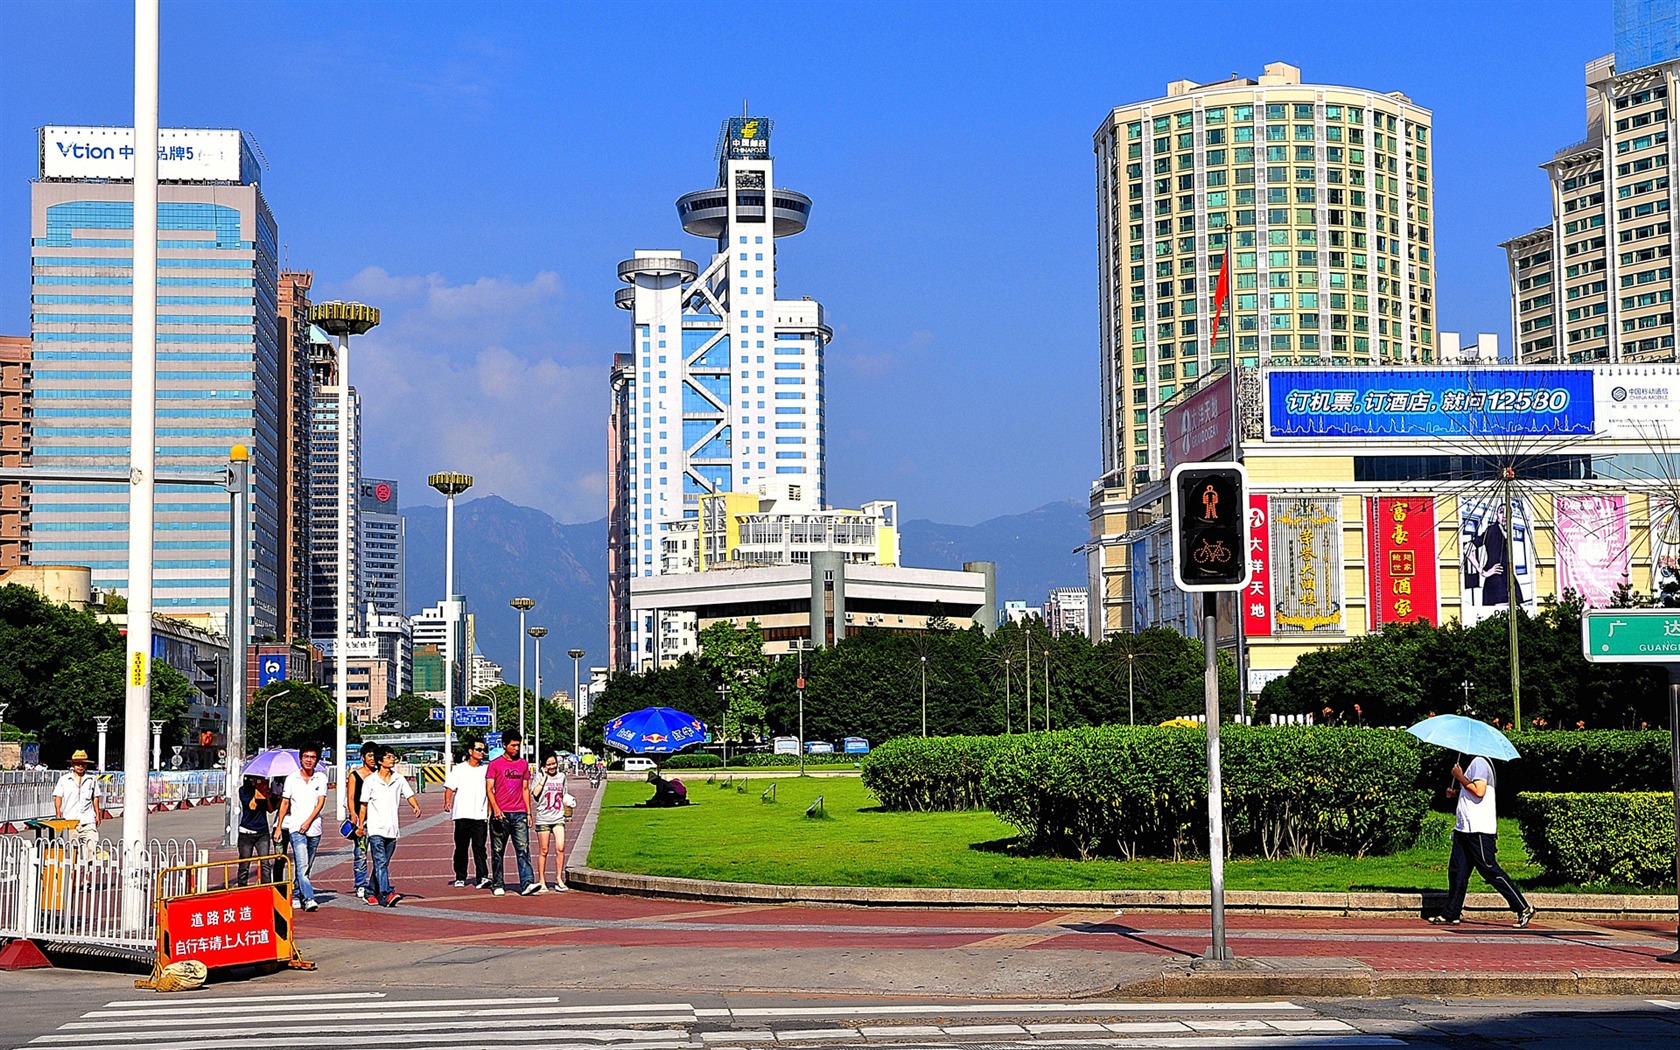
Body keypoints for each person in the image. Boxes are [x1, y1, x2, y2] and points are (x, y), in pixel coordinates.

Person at [1431, 753, 1536, 928]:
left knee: (1489, 868)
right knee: (1458, 871)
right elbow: (1472, 793)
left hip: (1478, 829)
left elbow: (1479, 791)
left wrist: (1459, 777)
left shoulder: (1480, 762)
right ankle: (1451, 913)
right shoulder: (1475, 763)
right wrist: (1457, 792)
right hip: (1464, 828)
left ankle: (1523, 907)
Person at [359, 746, 421, 907]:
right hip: (375, 829)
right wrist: (360, 825)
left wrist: (415, 806)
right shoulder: (370, 781)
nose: (392, 759)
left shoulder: (398, 779)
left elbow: (409, 794)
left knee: (383, 863)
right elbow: (363, 805)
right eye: (388, 757)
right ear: (380, 761)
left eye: (393, 757)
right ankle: (386, 894)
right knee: (380, 862)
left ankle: (370, 890)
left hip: (392, 829)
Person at [272, 744, 329, 912]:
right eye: (306, 757)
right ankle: (309, 898)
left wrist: (309, 821)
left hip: (314, 829)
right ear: (301, 758)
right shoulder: (292, 779)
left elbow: (321, 802)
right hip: (296, 829)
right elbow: (285, 803)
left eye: (312, 757)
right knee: (302, 864)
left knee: (306, 866)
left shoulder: (321, 778)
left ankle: (297, 893)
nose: (309, 760)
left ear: (317, 760)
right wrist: (279, 826)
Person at [486, 732, 537, 896]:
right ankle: (498, 883)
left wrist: (528, 812)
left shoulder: (523, 764)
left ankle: (527, 882)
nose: (516, 748)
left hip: (519, 813)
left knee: (523, 849)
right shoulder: (495, 764)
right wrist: (496, 808)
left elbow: (525, 789)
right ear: (504, 745)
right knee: (498, 850)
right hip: (500, 814)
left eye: (518, 745)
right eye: (513, 745)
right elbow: (489, 789)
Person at [443, 739, 491, 888]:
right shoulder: (459, 769)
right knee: (461, 848)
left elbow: (491, 791)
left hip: (480, 816)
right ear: (470, 751)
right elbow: (450, 787)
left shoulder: (486, 769)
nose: (482, 752)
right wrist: (448, 801)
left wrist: (490, 810)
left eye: (483, 750)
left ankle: (482, 877)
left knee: (480, 848)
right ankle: (460, 876)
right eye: (478, 749)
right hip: (462, 814)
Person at [530, 754, 569, 893]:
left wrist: (569, 804)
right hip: (544, 818)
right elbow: (535, 793)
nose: (552, 767)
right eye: (549, 764)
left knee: (560, 847)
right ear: (543, 766)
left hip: (558, 817)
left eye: (554, 764)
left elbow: (564, 794)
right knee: (544, 850)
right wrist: (545, 777)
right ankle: (541, 880)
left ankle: (559, 878)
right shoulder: (539, 777)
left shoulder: (562, 777)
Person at [346, 742, 379, 900]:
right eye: (370, 755)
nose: (373, 759)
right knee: (361, 853)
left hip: (378, 820)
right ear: (363, 757)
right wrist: (353, 813)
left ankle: (377, 883)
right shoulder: (355, 775)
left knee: (380, 854)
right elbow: (351, 797)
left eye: (375, 755)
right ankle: (360, 884)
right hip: (361, 821)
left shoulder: (381, 774)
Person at [52, 749, 101, 851]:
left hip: (88, 820)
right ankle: (74, 867)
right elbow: (58, 796)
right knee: (72, 850)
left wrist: (97, 814)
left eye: (82, 764)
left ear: (86, 765)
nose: (80, 766)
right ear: (73, 765)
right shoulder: (65, 779)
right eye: (77, 764)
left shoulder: (91, 779)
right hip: (70, 819)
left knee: (92, 847)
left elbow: (95, 797)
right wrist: (58, 812)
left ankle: (89, 866)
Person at [234, 774, 277, 886]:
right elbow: (251, 806)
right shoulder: (243, 791)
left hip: (262, 832)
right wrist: (257, 792)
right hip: (246, 832)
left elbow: (270, 809)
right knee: (244, 863)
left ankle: (266, 887)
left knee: (265, 863)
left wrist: (267, 796)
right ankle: (242, 887)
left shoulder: (264, 790)